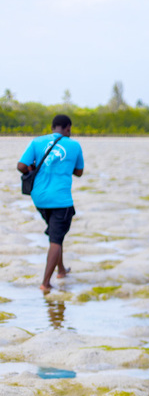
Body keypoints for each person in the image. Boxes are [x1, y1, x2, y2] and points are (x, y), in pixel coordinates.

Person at [16, 114, 83, 292]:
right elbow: (79, 172)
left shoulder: (37, 142)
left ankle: (61, 269)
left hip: (39, 198)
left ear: (53, 126)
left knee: (56, 234)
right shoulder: (74, 145)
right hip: (61, 200)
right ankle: (46, 283)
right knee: (56, 238)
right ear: (68, 127)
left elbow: (21, 166)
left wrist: (34, 167)